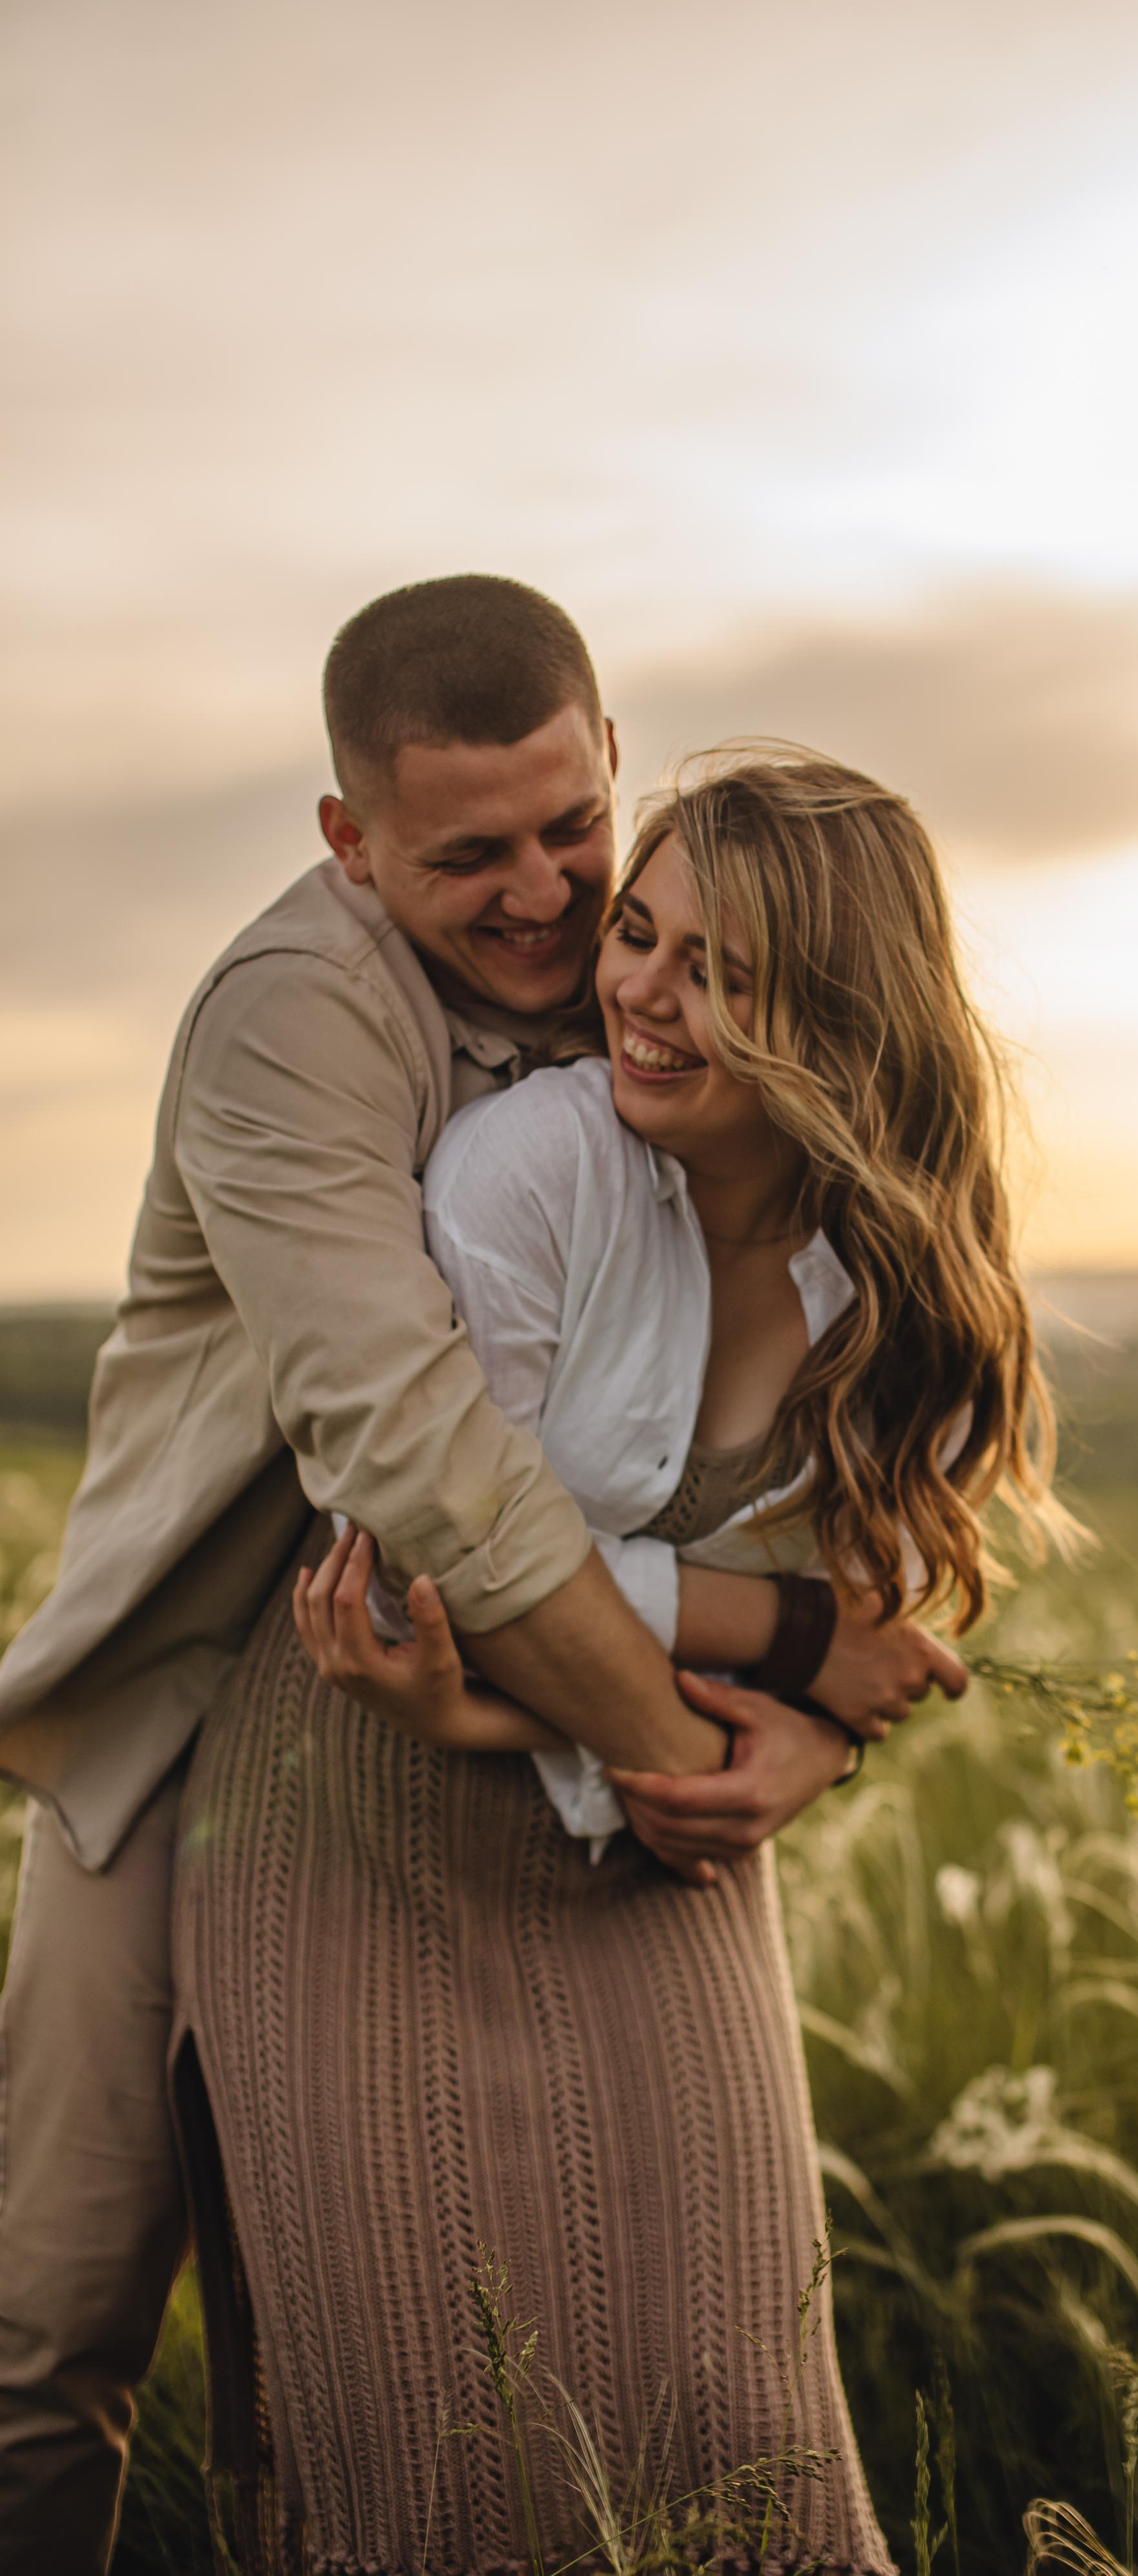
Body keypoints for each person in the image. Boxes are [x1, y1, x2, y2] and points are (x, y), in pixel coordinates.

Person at [0, 581, 942, 2568]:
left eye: (567, 833)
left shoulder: (658, 1013)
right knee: (59, 2315)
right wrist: (707, 1735)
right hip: (203, 1707)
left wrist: (815, 1746)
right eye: (466, 857)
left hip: (497, 1707)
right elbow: (425, 1469)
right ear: (348, 841)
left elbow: (874, 1488)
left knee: (630, 2345)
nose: (543, 899)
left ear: (610, 760)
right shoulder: (300, 1018)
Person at [172, 747, 1070, 2572]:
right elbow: (442, 1554)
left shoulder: (901, 1277)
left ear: (834, 1016)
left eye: (718, 973)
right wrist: (772, 1638)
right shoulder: (533, 1169)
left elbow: (888, 1631)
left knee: (741, 2418)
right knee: (434, 2441)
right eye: (640, 934)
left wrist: (813, 1745)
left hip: (660, 1845)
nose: (641, 997)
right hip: (360, 1813)